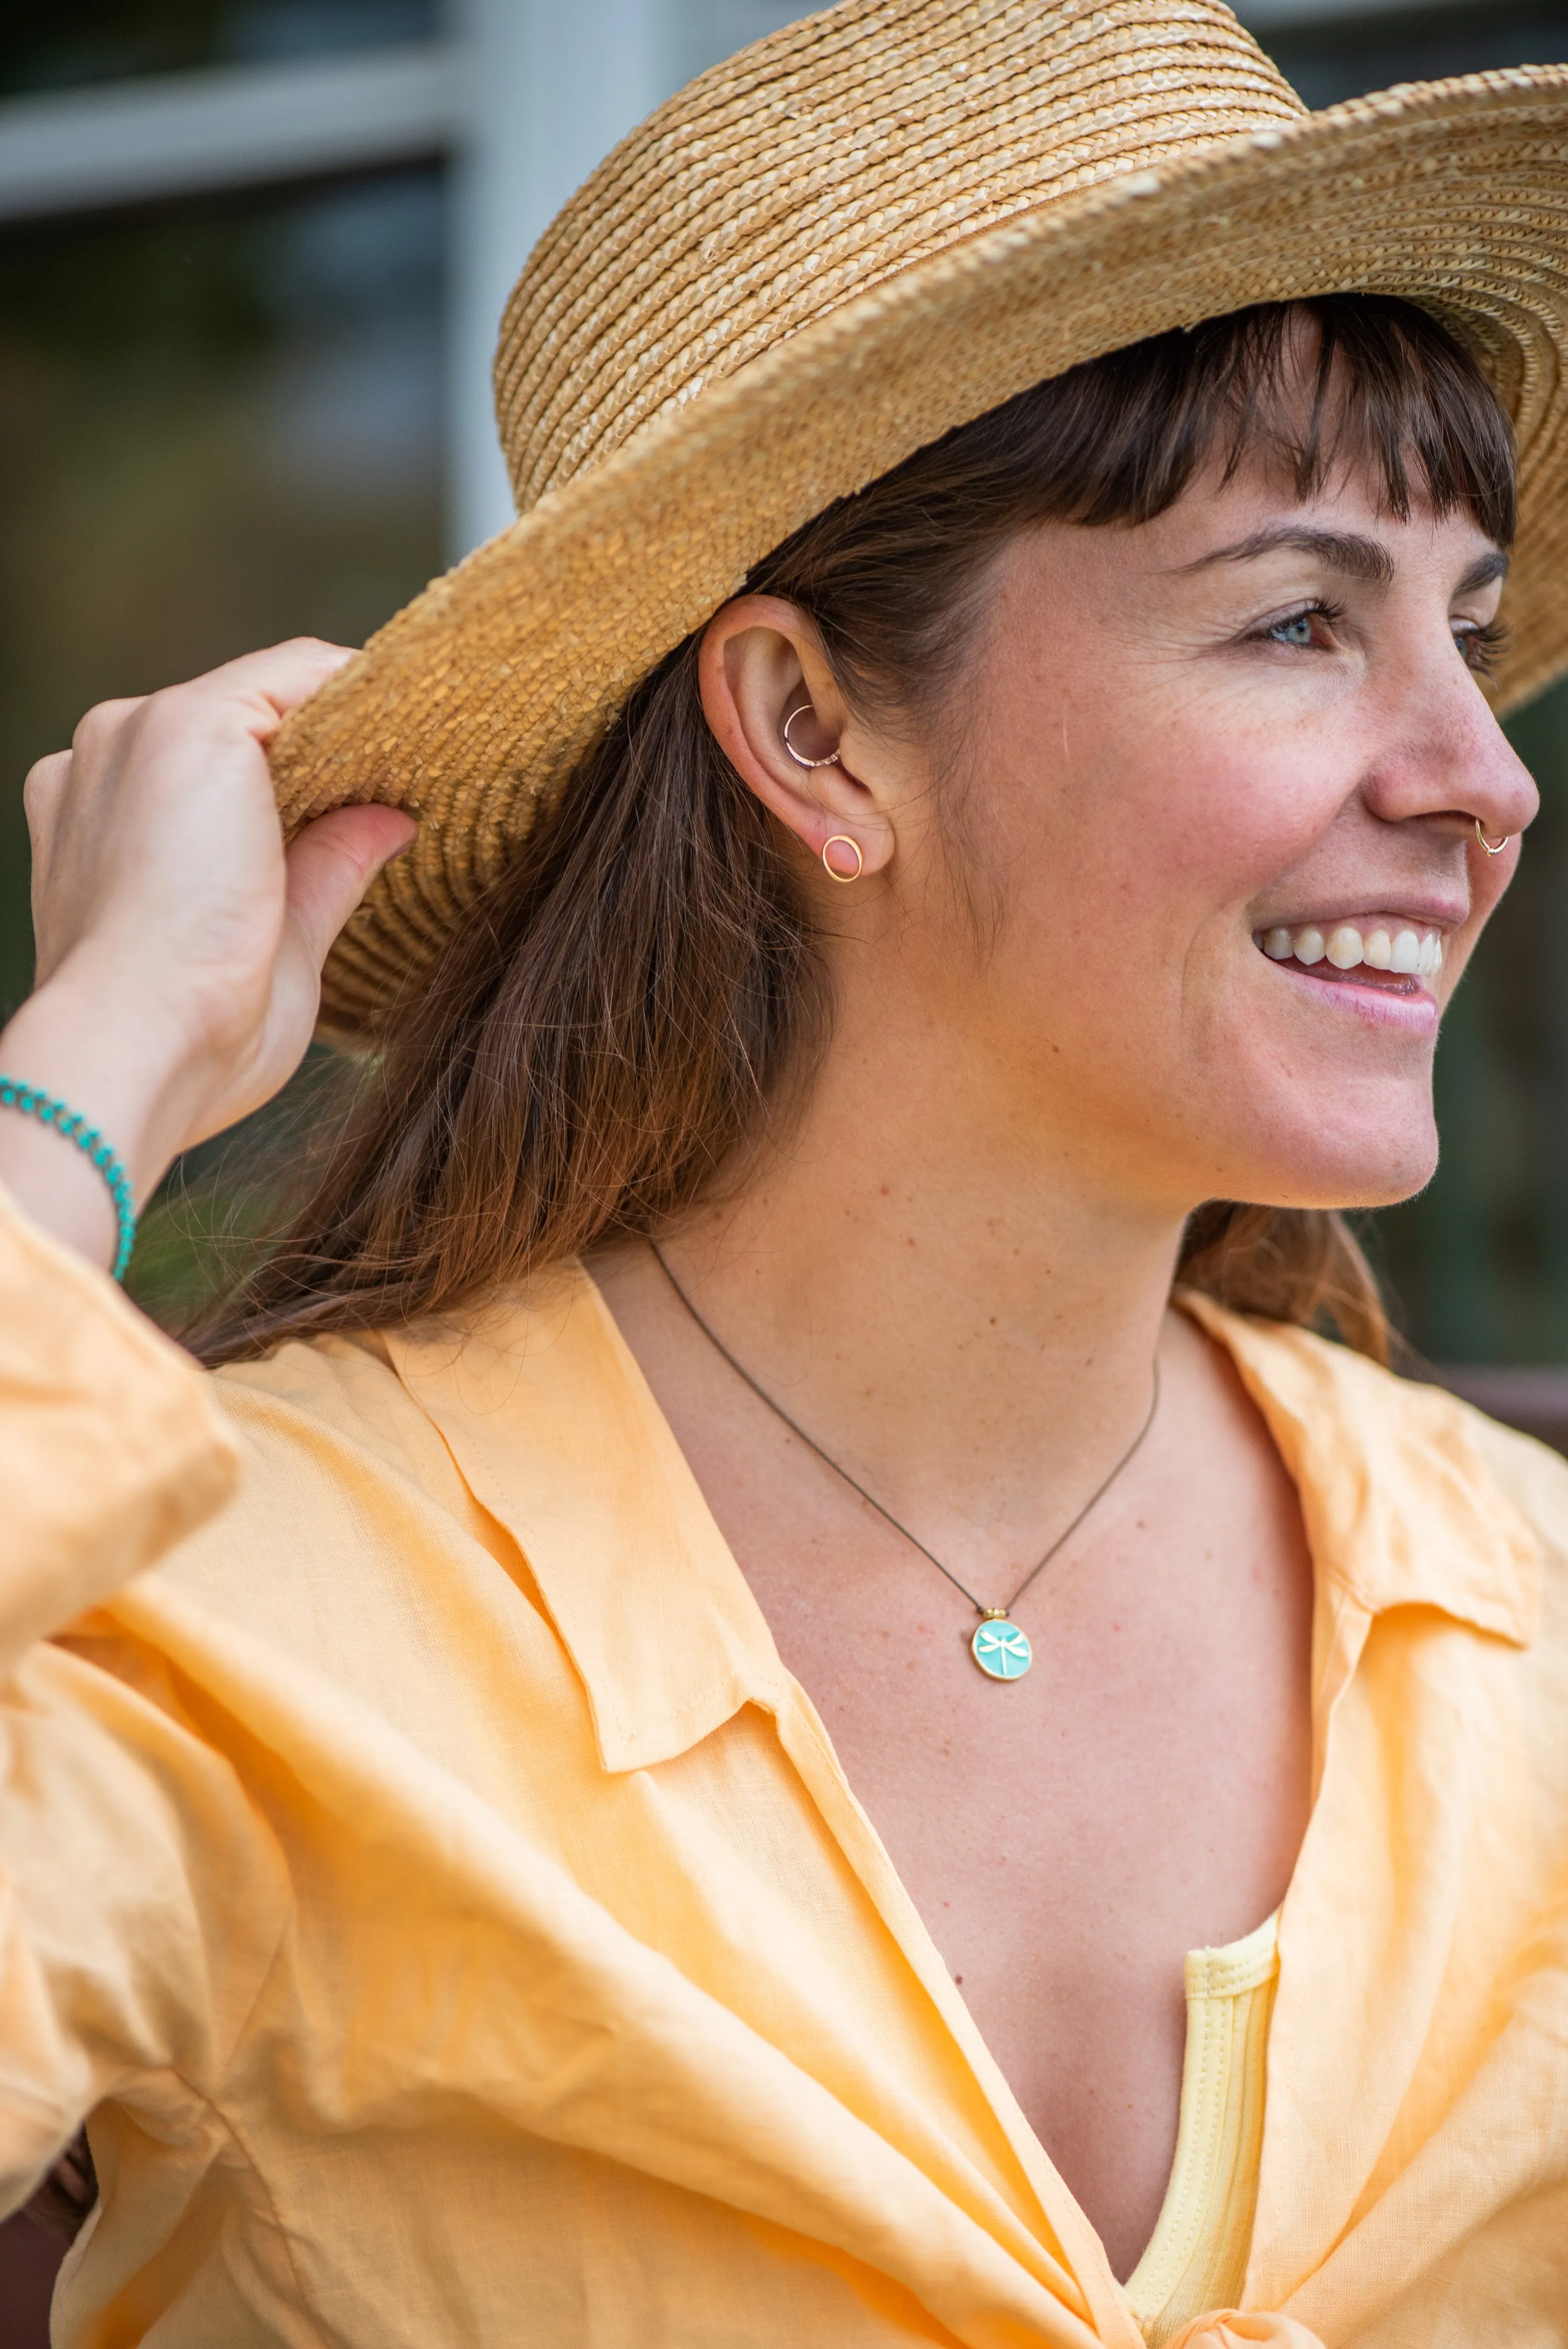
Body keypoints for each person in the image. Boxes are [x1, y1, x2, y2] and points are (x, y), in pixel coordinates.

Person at [4, 2, 1568, 2342]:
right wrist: (99, 1065)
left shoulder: (1528, 1596)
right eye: (1298, 621)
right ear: (814, 729)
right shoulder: (233, 1604)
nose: (1483, 777)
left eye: (1463, 632)